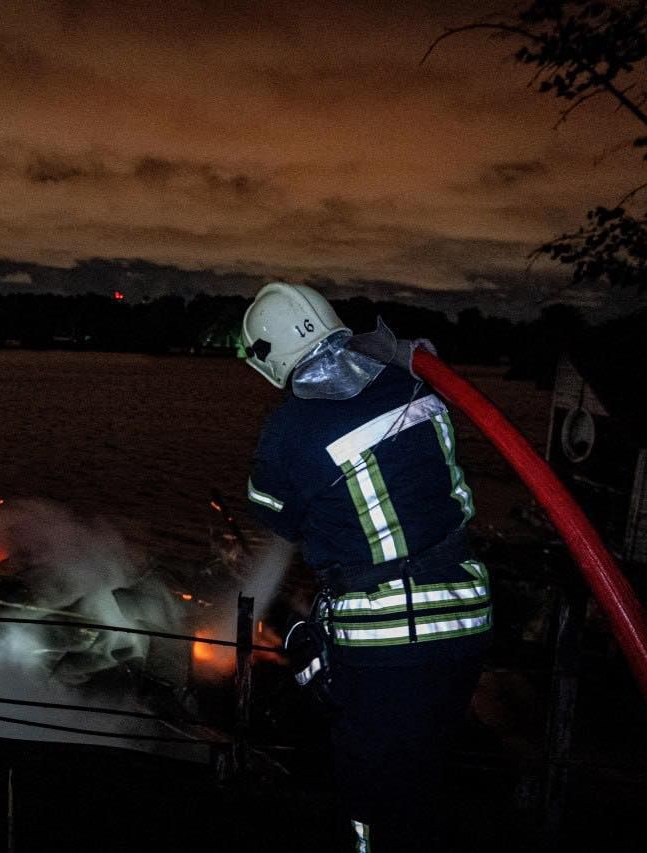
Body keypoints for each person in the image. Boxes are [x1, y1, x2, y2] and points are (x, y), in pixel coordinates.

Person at [241, 282, 490, 852]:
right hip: (466, 617)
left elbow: (273, 512)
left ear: (268, 355)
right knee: (422, 782)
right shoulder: (414, 378)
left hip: (387, 633)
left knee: (370, 800)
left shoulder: (290, 430)